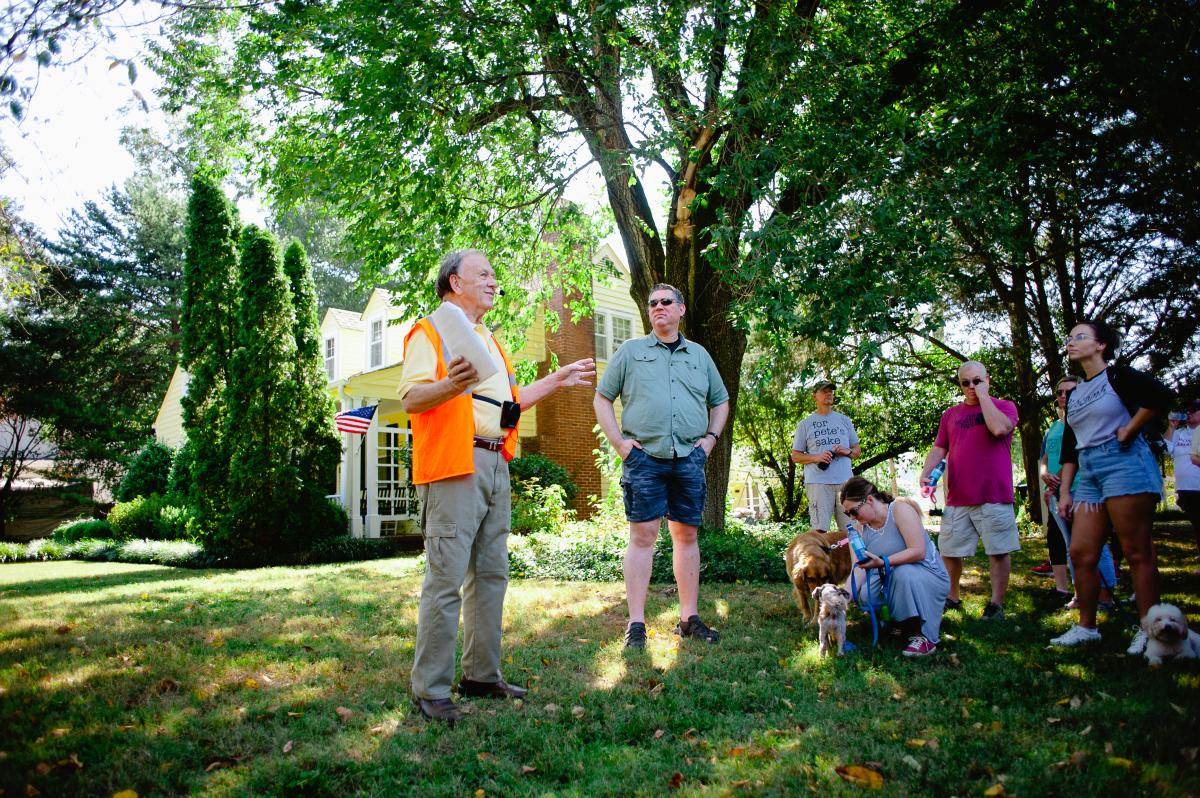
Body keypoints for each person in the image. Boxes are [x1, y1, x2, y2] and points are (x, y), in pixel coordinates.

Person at [399, 249, 596, 724]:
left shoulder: (488, 340)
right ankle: (430, 690)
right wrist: (451, 386)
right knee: (446, 580)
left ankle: (481, 676)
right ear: (453, 282)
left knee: (491, 576)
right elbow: (410, 397)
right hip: (454, 463)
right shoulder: (431, 331)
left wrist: (558, 379)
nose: (492, 281)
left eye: (494, 275)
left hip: (494, 462)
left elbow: (511, 403)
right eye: (482, 274)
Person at [594, 283, 730, 648]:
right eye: (653, 303)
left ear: (681, 310)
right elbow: (602, 398)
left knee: (686, 535)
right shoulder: (630, 351)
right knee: (643, 537)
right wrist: (620, 445)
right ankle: (636, 624)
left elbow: (720, 402)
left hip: (689, 458)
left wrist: (710, 440)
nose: (658, 307)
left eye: (666, 302)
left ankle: (689, 618)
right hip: (644, 460)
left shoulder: (700, 356)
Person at [1049, 320, 1174, 650]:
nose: (1071, 343)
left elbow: (1162, 396)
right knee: (1081, 552)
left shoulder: (1117, 377)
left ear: (1101, 345)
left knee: (1136, 551)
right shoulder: (1075, 393)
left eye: (1080, 337)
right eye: (1069, 338)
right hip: (1089, 472)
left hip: (1124, 464)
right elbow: (1071, 447)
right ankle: (1087, 627)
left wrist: (1131, 428)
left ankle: (1151, 633)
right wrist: (1064, 491)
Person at [918, 360, 1020, 620]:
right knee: (949, 550)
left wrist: (984, 397)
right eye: (966, 383)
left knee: (997, 551)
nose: (972, 386)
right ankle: (952, 597)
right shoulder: (951, 415)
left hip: (993, 494)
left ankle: (996, 604)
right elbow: (940, 448)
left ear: (988, 379)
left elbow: (998, 428)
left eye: (977, 381)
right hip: (958, 496)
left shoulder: (1004, 407)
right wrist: (926, 471)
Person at [840, 476, 950, 657]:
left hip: (924, 572)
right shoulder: (858, 529)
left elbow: (918, 551)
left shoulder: (899, 509)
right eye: (848, 514)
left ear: (869, 500)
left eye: (854, 512)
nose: (852, 517)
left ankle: (921, 635)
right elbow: (859, 567)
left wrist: (883, 562)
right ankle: (898, 623)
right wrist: (844, 596)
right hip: (888, 575)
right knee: (866, 595)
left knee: (903, 573)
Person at [1040, 376, 1117, 608]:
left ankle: (1105, 595)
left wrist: (1059, 483)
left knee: (1094, 543)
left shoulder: (1085, 422)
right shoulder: (1054, 427)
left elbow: (1077, 457)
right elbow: (1045, 458)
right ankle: (1081, 593)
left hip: (1081, 489)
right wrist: (1045, 476)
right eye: (1060, 393)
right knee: (1071, 546)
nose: (1064, 396)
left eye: (1069, 391)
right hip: (1056, 492)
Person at [790, 381, 861, 534]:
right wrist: (817, 458)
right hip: (818, 483)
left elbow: (856, 451)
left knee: (851, 531)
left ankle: (854, 558)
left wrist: (846, 451)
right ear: (814, 395)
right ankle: (821, 558)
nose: (829, 394)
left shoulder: (844, 420)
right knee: (820, 531)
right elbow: (795, 456)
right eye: (824, 391)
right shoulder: (805, 424)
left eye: (831, 391)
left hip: (845, 483)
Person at [1166, 398, 1200, 575]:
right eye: (1188, 409)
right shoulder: (1180, 433)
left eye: (1194, 410)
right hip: (1185, 489)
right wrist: (1171, 427)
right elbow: (1167, 448)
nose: (1189, 413)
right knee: (1197, 526)